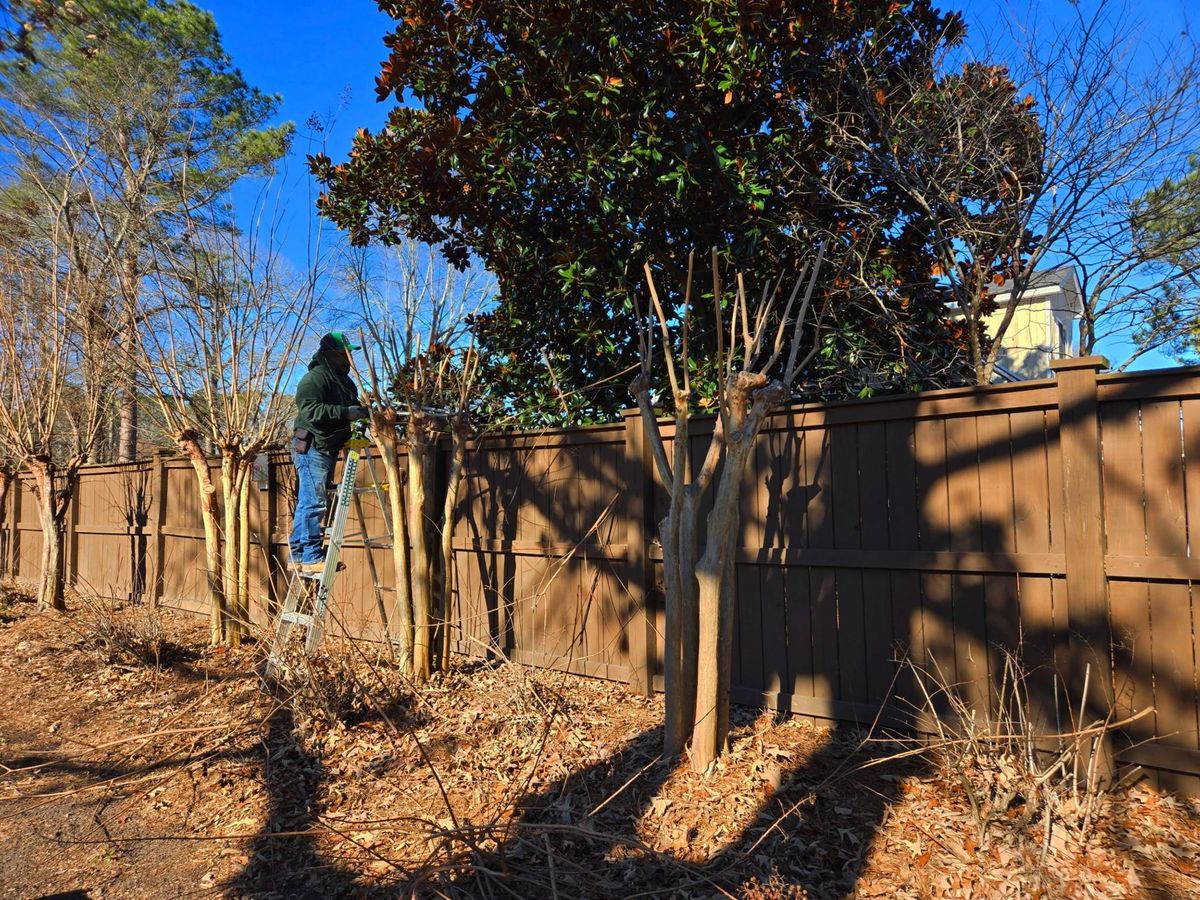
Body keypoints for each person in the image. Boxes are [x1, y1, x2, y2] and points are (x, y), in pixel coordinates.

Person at [289, 332, 368, 574]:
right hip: (312, 446)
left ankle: (299, 556)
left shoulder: (343, 382)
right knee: (313, 503)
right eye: (345, 352)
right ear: (332, 353)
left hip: (327, 447)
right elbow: (311, 410)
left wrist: (363, 411)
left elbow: (351, 406)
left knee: (308, 502)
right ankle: (311, 556)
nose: (349, 357)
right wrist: (345, 413)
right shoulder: (315, 378)